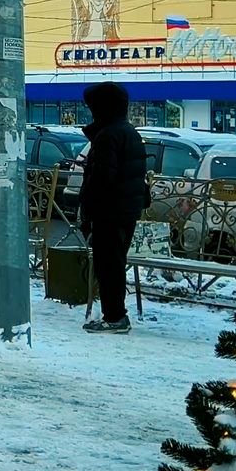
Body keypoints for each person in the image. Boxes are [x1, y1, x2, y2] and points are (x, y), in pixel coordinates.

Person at [79, 81, 147, 334]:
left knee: (108, 265)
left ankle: (115, 316)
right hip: (125, 209)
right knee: (114, 262)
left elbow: (101, 180)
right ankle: (115, 314)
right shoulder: (127, 131)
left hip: (109, 211)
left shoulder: (108, 135)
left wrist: (88, 210)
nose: (90, 112)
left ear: (102, 108)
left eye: (92, 107)